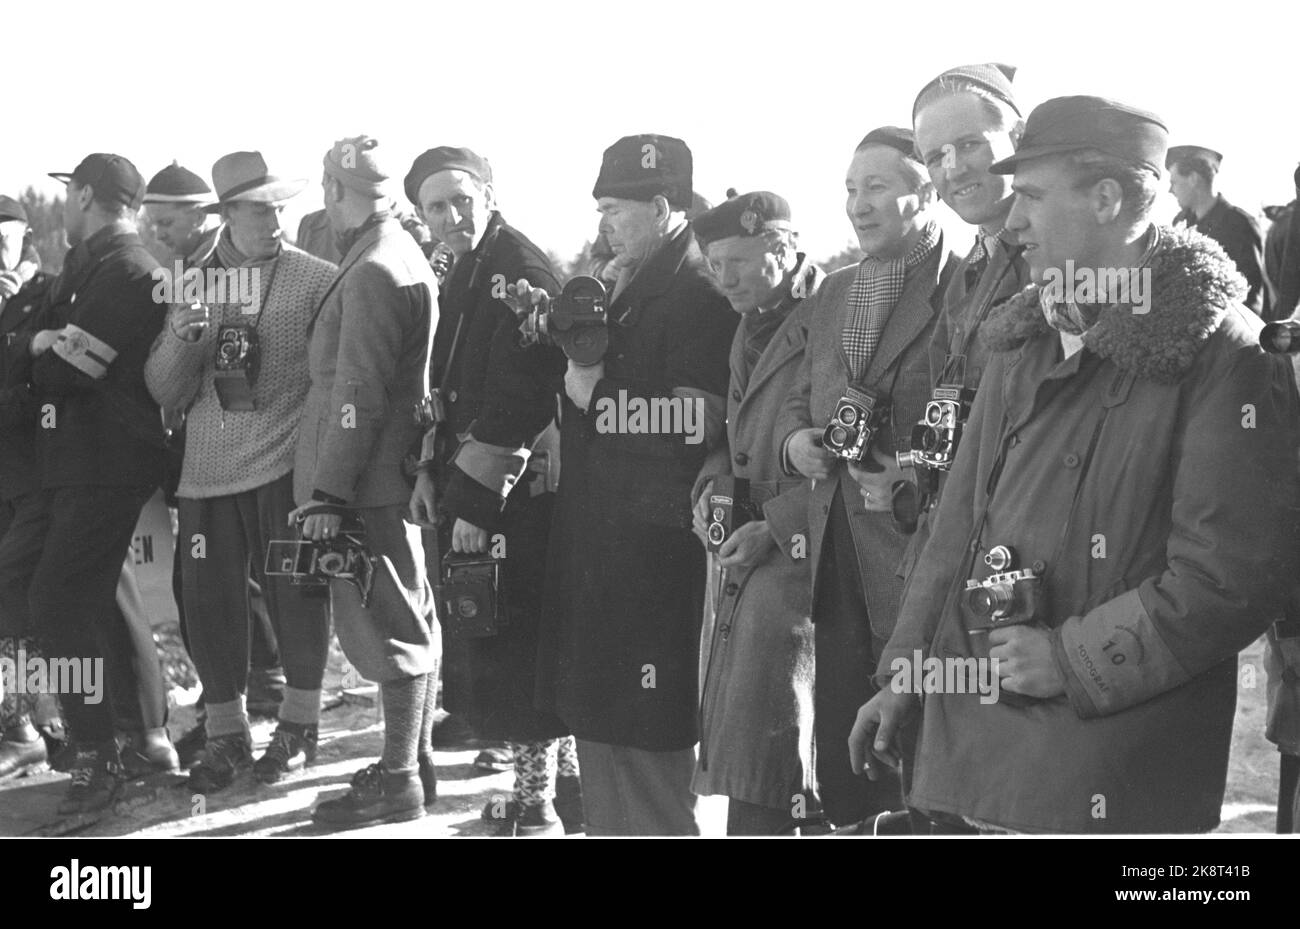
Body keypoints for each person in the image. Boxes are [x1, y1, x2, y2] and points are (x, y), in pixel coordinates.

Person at [851, 96, 1300, 833]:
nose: (1014, 219)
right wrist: (909, 673)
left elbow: (1232, 577)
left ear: (1108, 198)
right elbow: (955, 524)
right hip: (970, 763)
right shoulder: (1023, 334)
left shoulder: (1227, 355)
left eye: (1030, 195)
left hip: (1103, 778)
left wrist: (1070, 659)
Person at [531, 134, 736, 835]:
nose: (605, 224)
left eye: (616, 208)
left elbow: (697, 420)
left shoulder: (698, 290)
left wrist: (595, 392)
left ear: (661, 206)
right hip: (606, 548)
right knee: (604, 738)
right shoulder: (629, 278)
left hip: (653, 559)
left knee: (647, 750)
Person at [774, 127, 958, 828]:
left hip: (918, 554)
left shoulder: (960, 287)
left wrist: (912, 472)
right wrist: (797, 443)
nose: (857, 203)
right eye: (851, 189)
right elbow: (800, 394)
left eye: (876, 186)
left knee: (918, 743)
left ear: (927, 192)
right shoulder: (837, 290)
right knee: (846, 738)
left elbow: (979, 418)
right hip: (835, 550)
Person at [145, 151, 338, 791]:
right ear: (226, 214)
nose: (275, 220)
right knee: (209, 607)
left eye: (280, 207)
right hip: (206, 471)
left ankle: (299, 730)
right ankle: (226, 738)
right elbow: (164, 392)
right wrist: (180, 337)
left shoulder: (316, 279)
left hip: (284, 465)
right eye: (260, 209)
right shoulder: (187, 282)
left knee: (297, 592)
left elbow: (337, 375)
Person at [404, 146, 577, 836]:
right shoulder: (467, 267)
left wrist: (473, 505)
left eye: (461, 201)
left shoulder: (517, 271)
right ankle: (566, 786)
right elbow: (442, 382)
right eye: (435, 207)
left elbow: (523, 396)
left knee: (514, 644)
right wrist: (425, 471)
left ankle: (534, 804)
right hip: (471, 478)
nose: (451, 217)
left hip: (512, 493)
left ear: (488, 193)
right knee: (506, 638)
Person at [0, 153, 168, 815]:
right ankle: (134, 739)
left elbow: (73, 368)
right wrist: (35, 346)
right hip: (71, 464)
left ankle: (103, 755)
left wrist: (38, 352)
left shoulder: (130, 270)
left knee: (58, 602)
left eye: (69, 194)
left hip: (106, 463)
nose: (63, 206)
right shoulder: (90, 266)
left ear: (89, 195)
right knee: (66, 597)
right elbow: (32, 350)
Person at [901, 63, 1033, 831]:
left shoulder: (1052, 256)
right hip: (959, 536)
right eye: (937, 157)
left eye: (971, 145)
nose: (954, 170)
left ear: (1016, 138)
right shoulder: (972, 266)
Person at [298, 136, 439, 827]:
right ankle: (412, 761)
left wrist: (328, 493)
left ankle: (400, 777)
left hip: (366, 481)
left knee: (390, 628)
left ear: (332, 188)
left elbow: (358, 393)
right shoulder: (391, 251)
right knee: (408, 613)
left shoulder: (372, 268)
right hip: (382, 475)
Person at [688, 191, 824, 834]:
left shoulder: (830, 313)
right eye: (714, 264)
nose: (724, 279)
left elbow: (849, 452)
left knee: (790, 748)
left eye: (738, 261)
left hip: (810, 557)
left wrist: (780, 525)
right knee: (761, 745)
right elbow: (733, 431)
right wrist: (711, 485)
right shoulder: (753, 319)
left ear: (783, 247)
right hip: (754, 552)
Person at [142, 162, 285, 767]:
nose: (155, 232)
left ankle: (249, 697)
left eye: (167, 221)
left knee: (224, 582)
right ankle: (248, 692)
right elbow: (167, 377)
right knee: (210, 582)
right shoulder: (187, 278)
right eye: (151, 220)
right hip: (204, 454)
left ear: (206, 216)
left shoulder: (254, 272)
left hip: (254, 452)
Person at [0, 194, 59, 779]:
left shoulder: (48, 294)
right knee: (12, 606)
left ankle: (51, 722)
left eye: (5, 238)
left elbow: (46, 380)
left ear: (25, 238)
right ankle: (23, 726)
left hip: (42, 472)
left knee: (45, 597)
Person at [1168, 145, 1269, 316]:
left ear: (1193, 179)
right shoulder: (1180, 223)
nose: (1170, 190)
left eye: (1174, 182)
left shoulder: (1239, 225)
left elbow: (1251, 295)